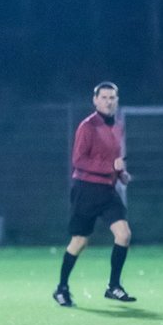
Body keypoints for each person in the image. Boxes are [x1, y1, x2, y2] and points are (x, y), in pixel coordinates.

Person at [53, 81, 138, 307]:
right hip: (86, 190)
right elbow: (79, 160)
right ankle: (61, 287)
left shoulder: (118, 126)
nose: (109, 102)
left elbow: (116, 163)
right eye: (104, 98)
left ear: (117, 100)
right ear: (95, 100)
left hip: (108, 191)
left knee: (124, 234)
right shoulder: (87, 126)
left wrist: (122, 175)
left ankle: (114, 286)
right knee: (79, 242)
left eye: (112, 98)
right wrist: (112, 166)